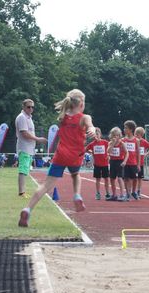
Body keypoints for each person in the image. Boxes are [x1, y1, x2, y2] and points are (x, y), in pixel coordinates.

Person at [18, 89, 96, 227]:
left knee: (46, 185)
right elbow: (90, 126)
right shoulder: (85, 117)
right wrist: (92, 130)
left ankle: (27, 209)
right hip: (75, 155)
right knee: (76, 175)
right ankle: (77, 195)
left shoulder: (63, 117)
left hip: (61, 154)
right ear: (81, 103)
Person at [15, 99, 48, 198]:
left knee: (25, 170)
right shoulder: (22, 117)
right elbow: (24, 133)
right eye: (28, 107)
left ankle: (23, 191)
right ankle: (21, 192)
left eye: (32, 107)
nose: (31, 109)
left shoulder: (28, 118)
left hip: (29, 148)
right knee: (23, 170)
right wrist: (38, 139)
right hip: (24, 147)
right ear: (23, 107)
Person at [85, 127, 111, 200]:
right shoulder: (92, 144)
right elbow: (85, 149)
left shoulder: (105, 142)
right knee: (98, 179)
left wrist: (109, 155)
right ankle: (98, 193)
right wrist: (90, 152)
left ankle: (107, 193)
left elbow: (111, 148)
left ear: (100, 134)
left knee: (106, 179)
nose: (96, 135)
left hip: (105, 164)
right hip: (97, 165)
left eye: (97, 134)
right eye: (94, 134)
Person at [106, 127, 128, 201]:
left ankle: (122, 194)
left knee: (119, 178)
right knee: (112, 179)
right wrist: (113, 144)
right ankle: (114, 195)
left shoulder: (122, 144)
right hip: (112, 162)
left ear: (120, 136)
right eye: (114, 135)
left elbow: (127, 153)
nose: (116, 137)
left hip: (120, 162)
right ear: (111, 136)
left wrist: (124, 161)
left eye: (117, 135)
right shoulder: (110, 143)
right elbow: (108, 151)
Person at [122, 120, 140, 200]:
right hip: (125, 163)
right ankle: (127, 193)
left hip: (133, 163)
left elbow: (138, 153)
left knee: (135, 178)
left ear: (131, 129)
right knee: (126, 178)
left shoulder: (136, 140)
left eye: (126, 128)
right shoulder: (123, 140)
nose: (124, 130)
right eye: (124, 128)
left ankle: (133, 191)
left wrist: (138, 164)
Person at [134, 126, 149, 198]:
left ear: (141, 135)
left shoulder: (144, 142)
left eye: (137, 134)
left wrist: (146, 154)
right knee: (133, 178)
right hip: (133, 163)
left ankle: (138, 191)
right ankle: (132, 191)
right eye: (135, 134)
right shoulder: (133, 141)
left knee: (139, 178)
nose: (136, 135)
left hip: (141, 163)